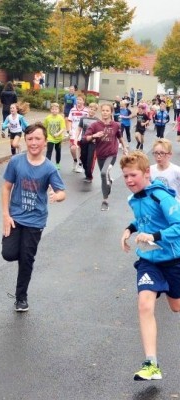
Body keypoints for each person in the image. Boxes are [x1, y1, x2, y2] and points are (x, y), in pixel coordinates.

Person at [120, 150, 180, 381]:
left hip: (174, 260)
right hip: (149, 261)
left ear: (147, 173)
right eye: (125, 176)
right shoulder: (134, 199)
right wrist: (130, 229)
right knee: (145, 304)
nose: (129, 180)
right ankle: (151, 364)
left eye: (133, 175)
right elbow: (143, 220)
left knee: (175, 307)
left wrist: (154, 236)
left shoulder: (161, 197)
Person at [1, 122, 66, 312]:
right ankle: (20, 255)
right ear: (25, 141)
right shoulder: (16, 162)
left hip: (35, 220)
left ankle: (21, 297)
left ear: (45, 142)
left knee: (26, 259)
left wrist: (57, 196)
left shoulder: (49, 168)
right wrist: (5, 214)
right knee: (9, 254)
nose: (33, 142)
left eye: (38, 138)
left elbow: (62, 192)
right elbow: (6, 187)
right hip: (14, 217)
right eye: (30, 139)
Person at [84, 103, 128, 211]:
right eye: (103, 110)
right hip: (100, 154)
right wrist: (94, 135)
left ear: (111, 112)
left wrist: (125, 148)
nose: (105, 112)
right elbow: (86, 138)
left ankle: (105, 201)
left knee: (104, 173)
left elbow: (119, 137)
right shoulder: (95, 125)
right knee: (104, 176)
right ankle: (109, 182)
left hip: (111, 154)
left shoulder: (116, 125)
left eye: (107, 111)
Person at [77, 102, 99, 182]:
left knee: (90, 159)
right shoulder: (83, 118)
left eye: (94, 110)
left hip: (93, 142)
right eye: (91, 109)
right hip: (84, 141)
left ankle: (89, 176)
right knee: (83, 158)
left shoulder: (97, 121)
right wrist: (76, 138)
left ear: (96, 111)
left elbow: (99, 132)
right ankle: (86, 170)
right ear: (88, 109)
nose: (92, 111)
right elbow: (79, 129)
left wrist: (96, 138)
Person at [67, 94, 88, 173]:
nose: (78, 101)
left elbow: (89, 121)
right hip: (74, 132)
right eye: (77, 99)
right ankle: (75, 160)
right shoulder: (72, 110)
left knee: (81, 149)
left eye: (80, 100)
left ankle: (80, 164)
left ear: (83, 101)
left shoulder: (86, 111)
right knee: (73, 148)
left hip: (83, 133)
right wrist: (69, 130)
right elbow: (69, 121)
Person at [43, 102, 66, 169]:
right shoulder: (48, 118)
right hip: (50, 138)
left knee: (58, 151)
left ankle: (57, 164)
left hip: (58, 138)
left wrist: (58, 134)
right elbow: (44, 127)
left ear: (58, 110)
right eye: (52, 109)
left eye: (56, 109)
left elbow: (63, 128)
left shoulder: (60, 118)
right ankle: (47, 164)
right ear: (50, 110)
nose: (54, 110)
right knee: (49, 151)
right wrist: (45, 136)